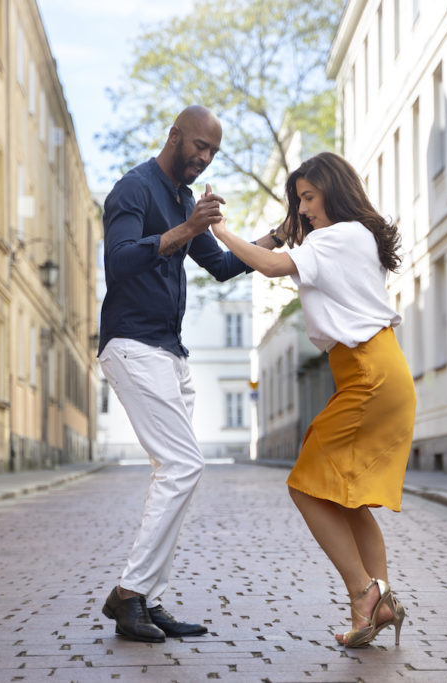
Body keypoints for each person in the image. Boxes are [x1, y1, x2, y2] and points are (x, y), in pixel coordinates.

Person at [98, 105, 289, 643]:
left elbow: (224, 267)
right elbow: (118, 260)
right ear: (175, 136)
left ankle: (146, 596)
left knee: (176, 474)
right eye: (199, 147)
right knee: (184, 464)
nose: (204, 159)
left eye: (213, 153)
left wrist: (277, 234)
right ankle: (129, 596)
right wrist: (185, 228)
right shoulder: (132, 189)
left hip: (169, 351)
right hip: (132, 343)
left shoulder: (184, 200)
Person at [210, 151, 415, 648]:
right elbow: (289, 250)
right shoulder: (353, 238)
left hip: (366, 373)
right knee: (348, 497)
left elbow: (271, 266)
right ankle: (380, 602)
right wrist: (284, 227)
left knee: (305, 485)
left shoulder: (336, 236)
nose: (303, 209)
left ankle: (362, 594)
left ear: (333, 192)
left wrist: (220, 232)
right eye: (298, 200)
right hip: (378, 372)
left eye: (308, 197)